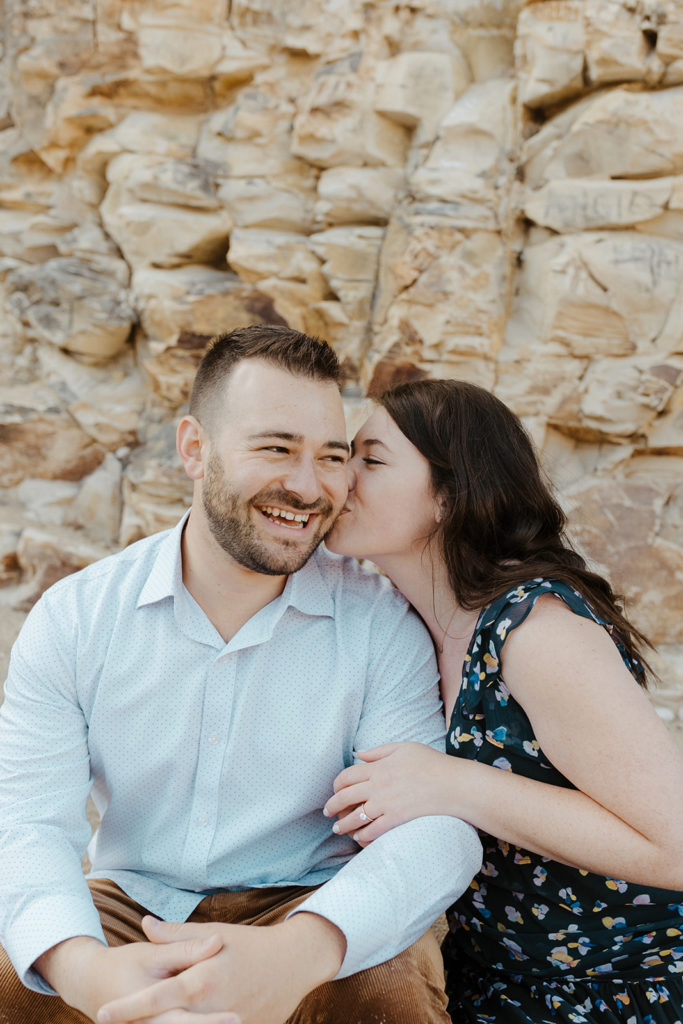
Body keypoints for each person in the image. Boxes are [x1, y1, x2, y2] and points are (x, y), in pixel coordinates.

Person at [0, 329, 483, 1024]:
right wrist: (87, 971)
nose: (308, 486)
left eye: (331, 457)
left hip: (311, 901)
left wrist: (301, 951)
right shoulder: (77, 617)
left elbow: (434, 831)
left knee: (389, 988)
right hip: (131, 902)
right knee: (15, 962)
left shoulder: (381, 624)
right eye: (276, 448)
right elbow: (27, 825)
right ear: (194, 448)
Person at [323, 378, 683, 1023]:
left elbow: (678, 847)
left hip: (617, 987)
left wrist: (453, 784)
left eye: (371, 460)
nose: (341, 477)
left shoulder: (536, 631)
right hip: (487, 982)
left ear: (451, 495)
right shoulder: (398, 625)